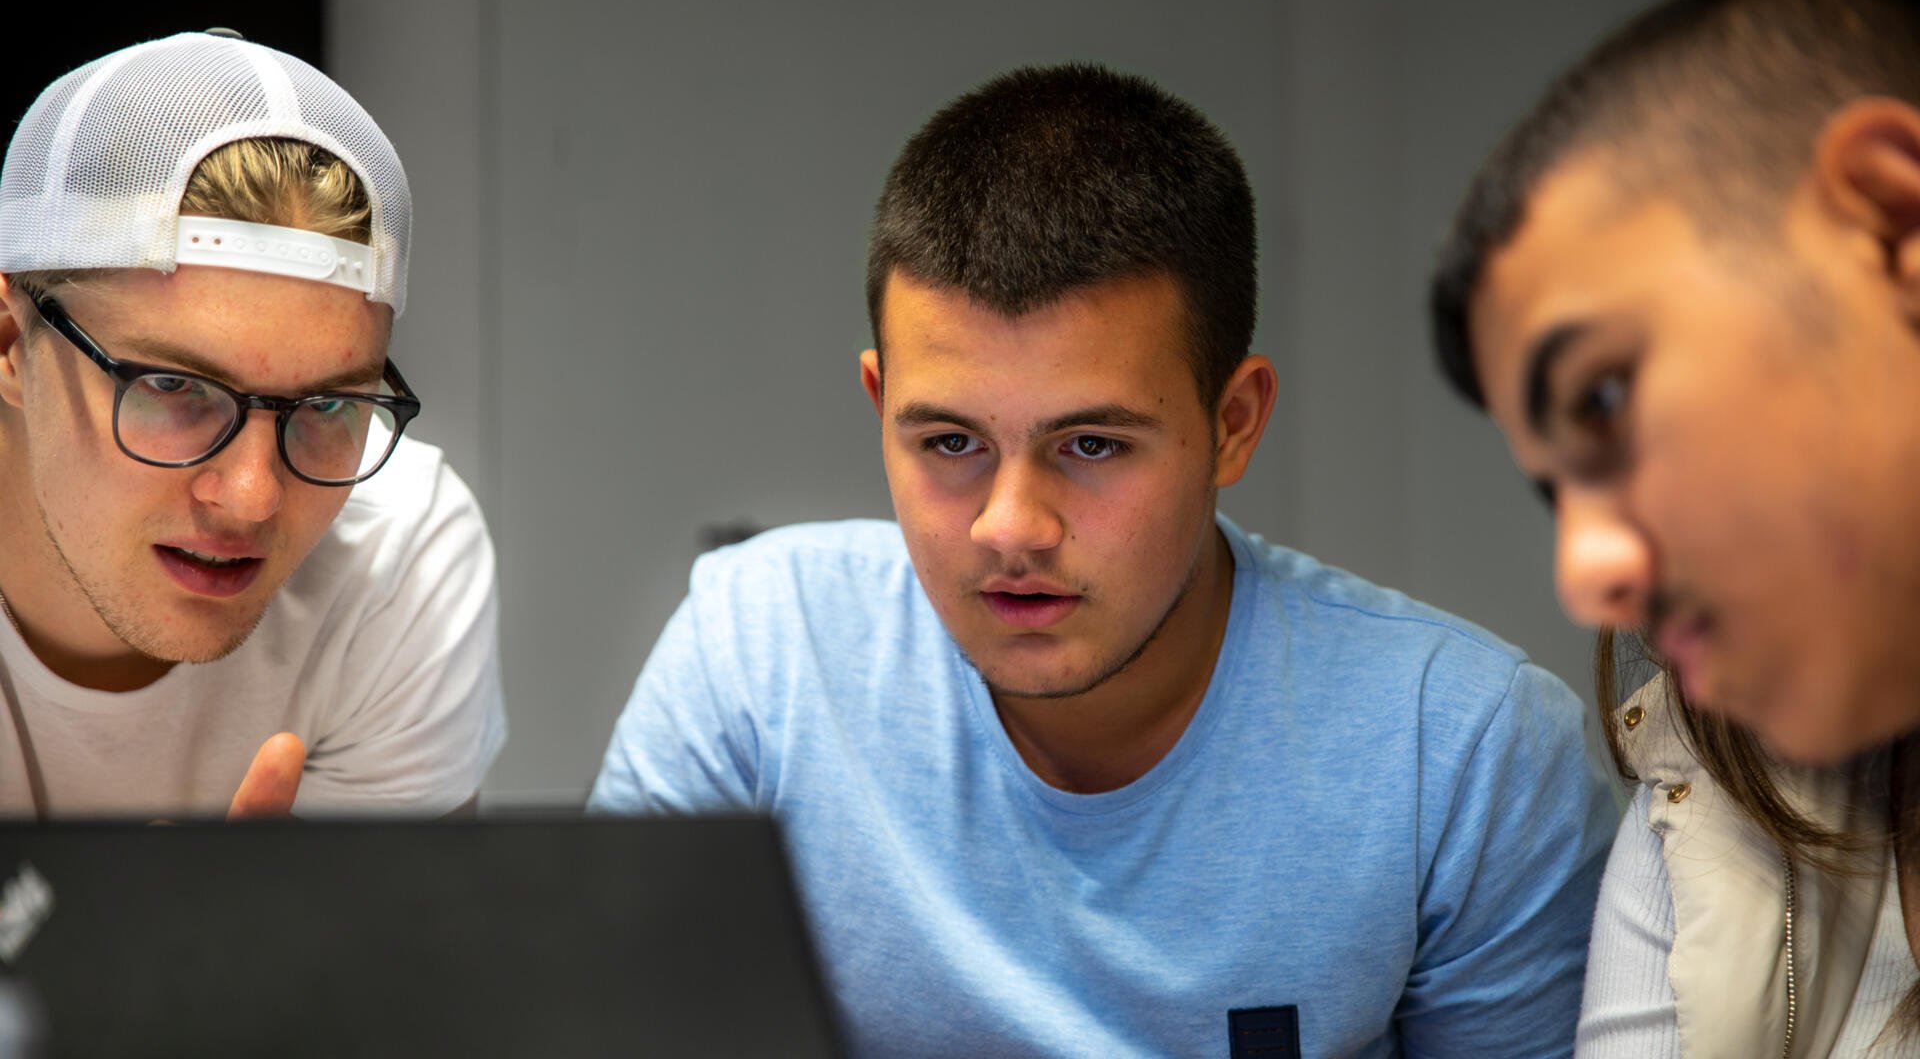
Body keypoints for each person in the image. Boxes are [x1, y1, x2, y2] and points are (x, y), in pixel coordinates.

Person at [593, 63, 1615, 1057]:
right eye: (949, 441)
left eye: (1091, 445)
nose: (1010, 528)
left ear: (1233, 423)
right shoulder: (759, 657)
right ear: (880, 405)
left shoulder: (1463, 751)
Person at [1429, 0, 1920, 1053]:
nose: (1586, 572)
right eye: (1555, 492)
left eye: (1606, 398)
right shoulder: (1721, 775)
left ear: (1892, 223)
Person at [0, 31, 505, 820]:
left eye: (327, 406)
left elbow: (398, 908)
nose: (253, 496)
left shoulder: (395, 555)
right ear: (10, 344)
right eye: (175, 386)